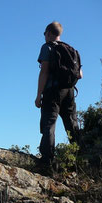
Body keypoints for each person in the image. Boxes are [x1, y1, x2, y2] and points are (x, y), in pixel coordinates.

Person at [35, 21, 82, 166]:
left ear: (49, 33)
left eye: (44, 33)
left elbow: (44, 71)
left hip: (52, 92)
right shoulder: (72, 50)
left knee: (49, 125)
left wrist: (38, 95)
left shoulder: (47, 47)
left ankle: (47, 163)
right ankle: (81, 157)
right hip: (69, 92)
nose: (44, 36)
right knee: (72, 124)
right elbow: (80, 75)